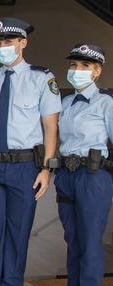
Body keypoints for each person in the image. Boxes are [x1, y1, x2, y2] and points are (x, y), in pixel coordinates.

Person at [0, 17, 60, 286]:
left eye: (8, 42)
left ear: (23, 43)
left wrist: (46, 168)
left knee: (18, 235)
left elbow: (50, 126)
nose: (2, 47)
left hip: (25, 168)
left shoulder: (42, 78)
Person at [55, 43, 112, 286]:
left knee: (90, 242)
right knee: (73, 240)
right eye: (73, 65)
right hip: (67, 175)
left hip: (93, 176)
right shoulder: (66, 103)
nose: (77, 70)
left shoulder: (106, 103)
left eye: (85, 66)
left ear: (97, 71)